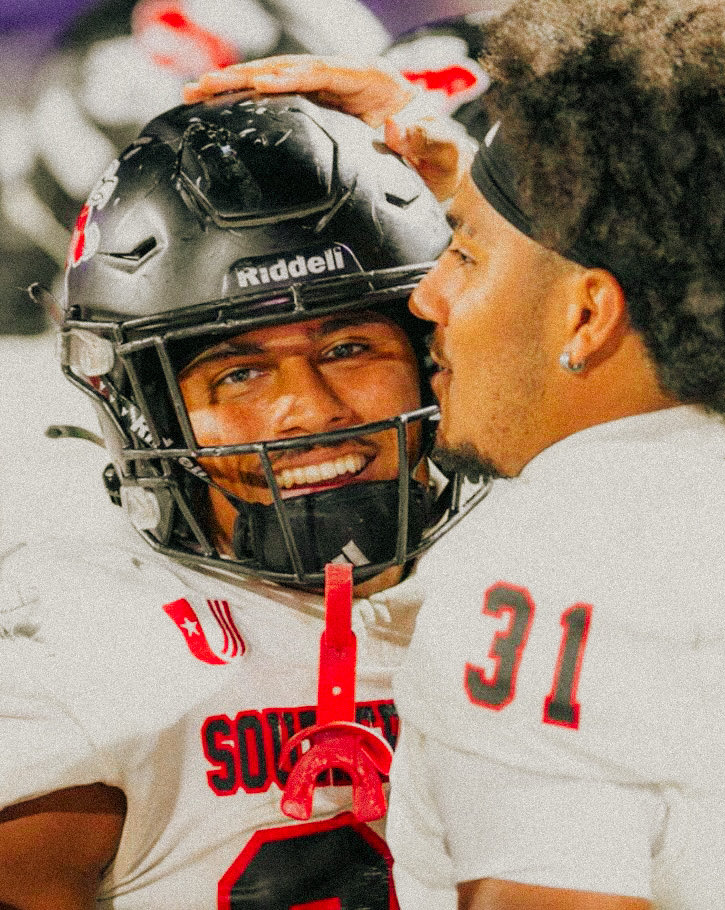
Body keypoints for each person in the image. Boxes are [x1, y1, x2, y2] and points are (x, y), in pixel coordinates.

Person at [184, 0, 725, 907]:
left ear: (587, 316)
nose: (428, 299)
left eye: (466, 258)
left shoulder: (546, 570)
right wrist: (486, 185)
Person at [0, 93, 486, 909]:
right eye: (240, 371)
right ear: (148, 408)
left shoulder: (535, 574)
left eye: (348, 346)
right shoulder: (82, 653)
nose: (314, 408)